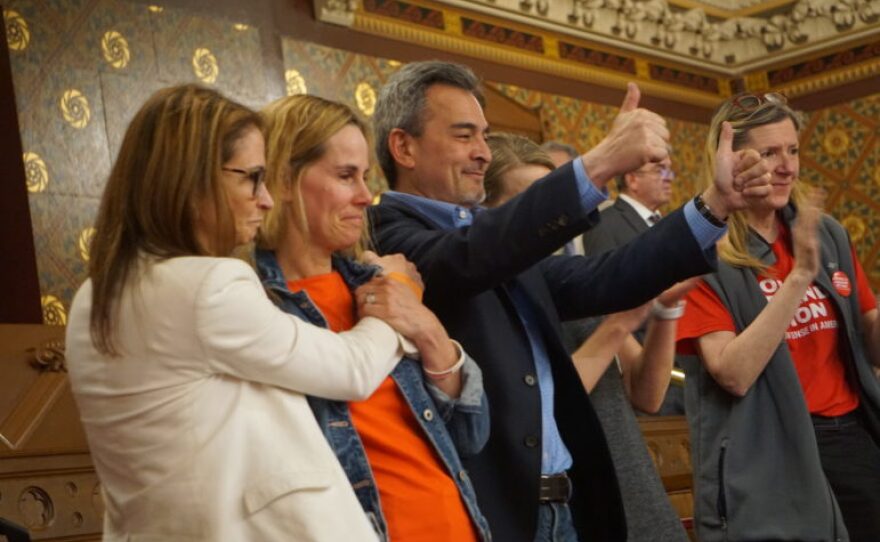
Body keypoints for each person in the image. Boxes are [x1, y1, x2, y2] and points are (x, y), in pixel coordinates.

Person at [368, 60, 772, 541]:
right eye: (463, 136)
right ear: (403, 146)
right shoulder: (387, 238)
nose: (482, 152)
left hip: (564, 507)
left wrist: (714, 206)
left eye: (484, 135)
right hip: (494, 514)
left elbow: (606, 277)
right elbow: (469, 258)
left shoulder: (485, 240)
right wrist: (599, 164)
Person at [65, 85, 429, 541]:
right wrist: (397, 293)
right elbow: (351, 370)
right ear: (193, 178)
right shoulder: (207, 286)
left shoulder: (92, 295)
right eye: (251, 178)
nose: (266, 199)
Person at [255, 94, 491, 541]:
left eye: (365, 176)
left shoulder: (379, 283)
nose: (366, 197)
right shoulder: (257, 304)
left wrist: (429, 330)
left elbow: (469, 432)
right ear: (284, 180)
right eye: (346, 176)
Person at [676, 92, 880, 541]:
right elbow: (733, 372)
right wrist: (799, 277)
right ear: (729, 160)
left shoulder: (824, 231)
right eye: (769, 153)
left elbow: (870, 338)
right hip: (769, 452)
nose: (788, 166)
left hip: (849, 439)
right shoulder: (702, 249)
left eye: (793, 150)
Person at [485, 131, 691, 542]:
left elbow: (647, 394)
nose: (544, 220)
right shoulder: (491, 292)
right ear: (487, 212)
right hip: (576, 497)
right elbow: (537, 404)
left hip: (632, 482)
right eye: (527, 205)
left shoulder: (572, 276)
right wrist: (619, 324)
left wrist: (666, 309)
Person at [577, 154, 687, 415]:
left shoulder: (670, 225)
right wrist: (643, 370)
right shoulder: (606, 224)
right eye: (660, 170)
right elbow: (606, 303)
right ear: (632, 179)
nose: (669, 178)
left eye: (670, 170)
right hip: (649, 376)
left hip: (683, 375)